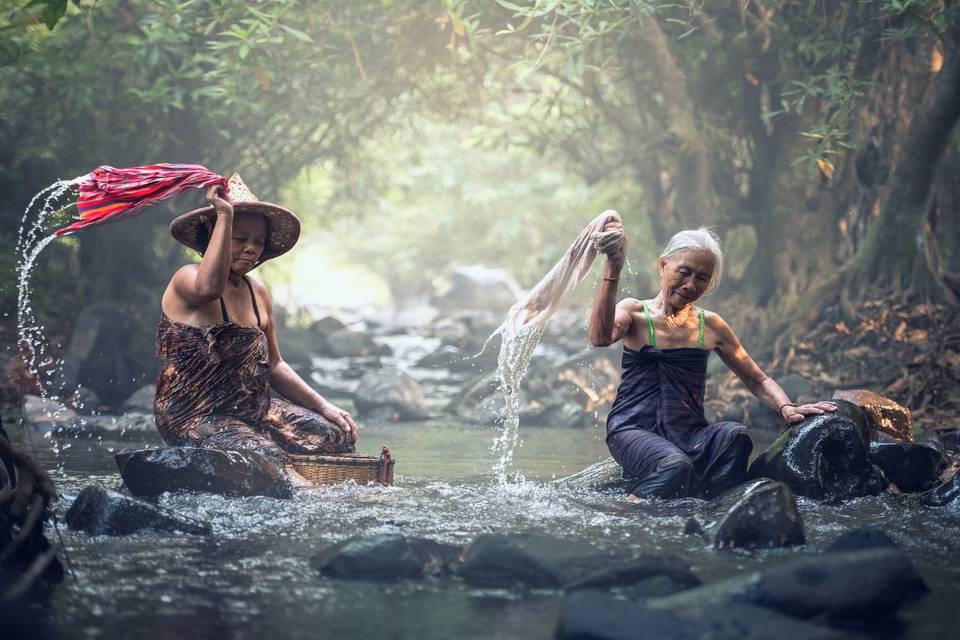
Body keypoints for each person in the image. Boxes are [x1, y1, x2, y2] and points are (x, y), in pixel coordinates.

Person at [588, 223, 836, 500]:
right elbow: (600, 336)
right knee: (675, 466)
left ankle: (715, 508)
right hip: (632, 429)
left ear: (711, 283)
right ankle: (623, 511)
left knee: (737, 437)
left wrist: (787, 408)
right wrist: (614, 267)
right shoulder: (634, 311)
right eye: (684, 272)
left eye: (702, 278)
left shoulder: (711, 325)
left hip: (689, 432)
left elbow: (757, 379)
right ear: (663, 265)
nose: (691, 284)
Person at [154, 173, 358, 486]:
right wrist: (224, 213)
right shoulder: (188, 278)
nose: (250, 249)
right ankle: (305, 490)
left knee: (334, 435)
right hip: (194, 415)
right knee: (265, 456)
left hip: (252, 409)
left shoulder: (257, 291)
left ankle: (292, 467)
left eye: (258, 242)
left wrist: (325, 407)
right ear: (215, 234)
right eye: (240, 238)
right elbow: (209, 288)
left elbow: (275, 364)